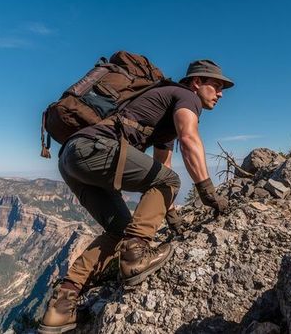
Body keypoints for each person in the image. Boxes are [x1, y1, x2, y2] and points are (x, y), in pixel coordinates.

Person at [38, 59, 233, 333]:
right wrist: (208, 192)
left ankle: (60, 309)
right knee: (169, 185)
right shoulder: (187, 96)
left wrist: (172, 214)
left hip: (71, 158)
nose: (221, 93)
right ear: (197, 82)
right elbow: (189, 139)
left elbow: (161, 170)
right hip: (93, 149)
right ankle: (135, 255)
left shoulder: (163, 112)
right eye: (216, 85)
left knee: (118, 230)